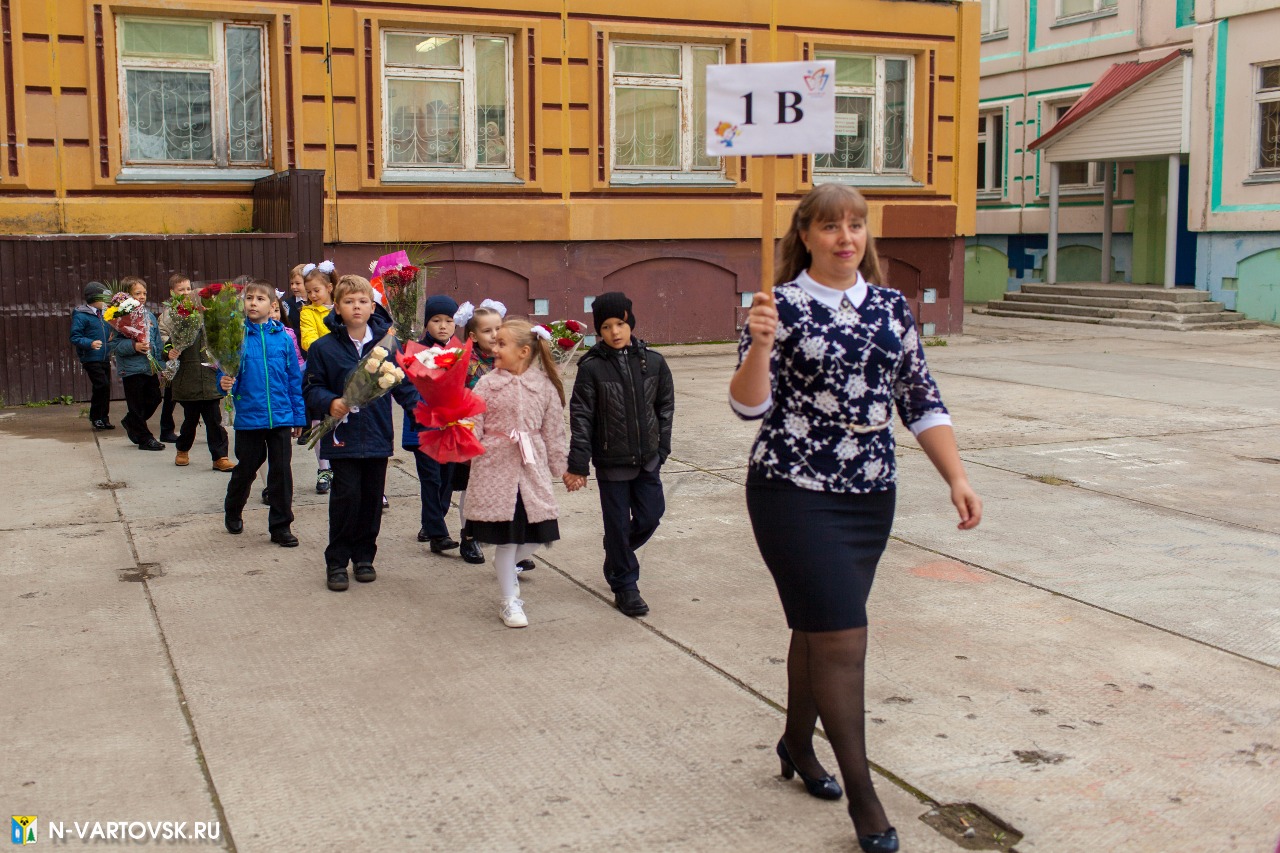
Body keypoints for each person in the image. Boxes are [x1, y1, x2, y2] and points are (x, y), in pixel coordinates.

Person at [728, 183, 982, 853]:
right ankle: (866, 801)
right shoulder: (777, 305)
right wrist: (759, 346)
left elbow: (919, 397)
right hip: (793, 488)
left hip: (870, 492)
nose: (845, 237)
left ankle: (795, 741)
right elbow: (749, 408)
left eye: (856, 225)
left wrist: (955, 476)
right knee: (841, 635)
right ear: (805, 236)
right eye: (830, 226)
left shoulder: (892, 307)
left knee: (820, 625)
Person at [304, 275, 419, 592]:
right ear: (337, 307)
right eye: (349, 301)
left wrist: (425, 415)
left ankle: (364, 557)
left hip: (377, 434)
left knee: (371, 500)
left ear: (372, 306)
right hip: (342, 436)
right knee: (346, 498)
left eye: (363, 301)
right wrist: (331, 402)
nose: (356, 307)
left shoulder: (388, 345)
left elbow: (404, 387)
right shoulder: (323, 348)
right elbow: (311, 388)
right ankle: (337, 562)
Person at [564, 291, 674, 617]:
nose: (614, 332)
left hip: (648, 459)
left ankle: (616, 552)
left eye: (620, 324)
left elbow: (665, 408)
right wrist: (578, 464)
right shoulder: (592, 368)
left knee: (651, 515)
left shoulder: (654, 362)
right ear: (599, 330)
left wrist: (662, 448)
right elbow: (581, 418)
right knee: (616, 524)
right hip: (612, 462)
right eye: (606, 326)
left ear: (630, 323)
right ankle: (626, 586)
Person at [464, 318, 568, 628]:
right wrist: (461, 438)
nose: (494, 348)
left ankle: (506, 566)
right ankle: (509, 601)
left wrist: (562, 467)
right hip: (495, 470)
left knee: (540, 534)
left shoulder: (544, 386)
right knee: (506, 540)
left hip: (531, 469)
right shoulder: (487, 384)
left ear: (523, 351)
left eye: (502, 343)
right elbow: (474, 423)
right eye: (494, 342)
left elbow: (554, 431)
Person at [220, 280, 307, 547]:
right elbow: (226, 374)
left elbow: (294, 380)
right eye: (249, 298)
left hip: (280, 416)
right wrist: (224, 383)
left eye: (260, 299)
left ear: (272, 306)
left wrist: (298, 416)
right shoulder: (236, 337)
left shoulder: (284, 338)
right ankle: (233, 508)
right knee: (247, 467)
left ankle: (281, 526)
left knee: (281, 472)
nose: (253, 303)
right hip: (250, 416)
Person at [401, 293, 462, 554]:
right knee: (431, 479)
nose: (443, 326)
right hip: (424, 428)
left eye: (449, 320)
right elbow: (407, 388)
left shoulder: (460, 351)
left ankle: (431, 522)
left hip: (452, 428)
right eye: (436, 320)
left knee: (447, 480)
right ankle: (438, 533)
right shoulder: (415, 351)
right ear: (426, 323)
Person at [448, 299, 504, 565]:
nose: (494, 335)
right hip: (473, 432)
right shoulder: (464, 361)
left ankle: (509, 544)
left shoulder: (509, 358)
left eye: (498, 329)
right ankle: (469, 536)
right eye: (487, 331)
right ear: (472, 336)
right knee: (473, 487)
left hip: (504, 434)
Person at [169, 299, 233, 472]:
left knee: (214, 422)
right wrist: (169, 352)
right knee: (190, 421)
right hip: (189, 382)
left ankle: (220, 457)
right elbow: (167, 346)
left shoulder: (215, 328)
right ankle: (182, 449)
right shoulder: (182, 328)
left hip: (211, 382)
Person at [112, 276, 166, 450]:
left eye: (144, 293)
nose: (142, 296)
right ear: (127, 296)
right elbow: (114, 345)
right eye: (137, 293)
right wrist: (134, 346)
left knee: (155, 398)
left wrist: (162, 365)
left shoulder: (149, 316)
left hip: (149, 367)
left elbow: (157, 341)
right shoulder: (119, 316)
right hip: (132, 369)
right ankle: (145, 439)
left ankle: (131, 422)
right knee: (135, 404)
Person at [299, 260, 337, 494]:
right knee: (317, 422)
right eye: (309, 291)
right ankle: (324, 469)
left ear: (330, 287)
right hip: (319, 371)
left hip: (343, 372)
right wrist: (332, 350)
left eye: (316, 290)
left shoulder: (342, 307)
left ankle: (343, 465)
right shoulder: (307, 312)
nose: (312, 295)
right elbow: (308, 340)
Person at [70, 280, 115, 431]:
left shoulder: (104, 314)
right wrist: (90, 343)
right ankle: (96, 417)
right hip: (91, 357)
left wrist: (111, 338)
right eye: (104, 299)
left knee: (105, 387)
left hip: (104, 356)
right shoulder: (82, 315)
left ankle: (104, 418)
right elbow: (75, 337)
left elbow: (109, 329)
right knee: (101, 385)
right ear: (94, 299)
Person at [155, 273, 187, 443]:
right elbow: (162, 334)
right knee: (171, 396)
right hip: (174, 360)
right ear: (172, 292)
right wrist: (172, 347)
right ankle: (166, 429)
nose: (186, 292)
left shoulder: (195, 310)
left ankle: (197, 426)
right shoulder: (169, 313)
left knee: (193, 396)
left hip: (191, 361)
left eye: (188, 289)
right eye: (181, 289)